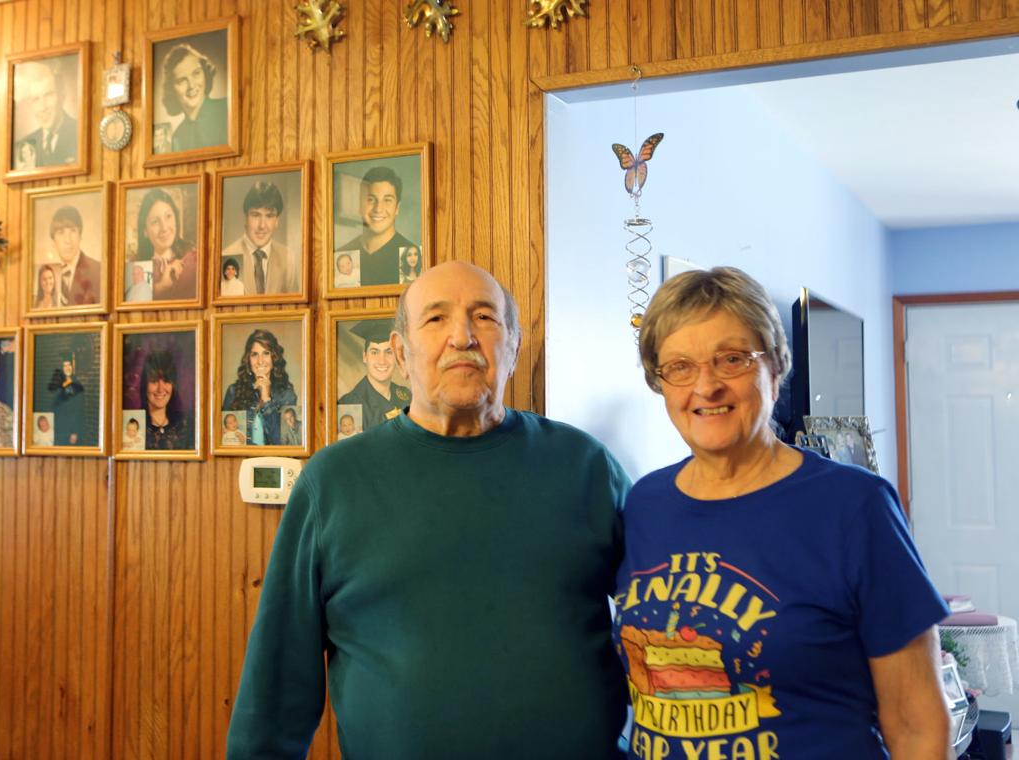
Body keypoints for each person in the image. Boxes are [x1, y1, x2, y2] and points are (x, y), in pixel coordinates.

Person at [228, 261, 631, 757]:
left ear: (514, 345)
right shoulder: (333, 483)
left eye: (484, 317)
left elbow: (666, 616)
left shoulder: (586, 467)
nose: (462, 336)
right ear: (400, 352)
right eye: (436, 319)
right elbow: (275, 689)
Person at [615, 266, 950, 758]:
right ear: (660, 383)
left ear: (774, 366)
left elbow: (916, 723)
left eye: (731, 359)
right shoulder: (645, 504)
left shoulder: (855, 507)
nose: (705, 387)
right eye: (680, 367)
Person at [336, 166, 415, 287]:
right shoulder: (340, 255)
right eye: (370, 199)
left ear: (397, 208)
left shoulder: (412, 255)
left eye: (387, 200)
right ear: (359, 205)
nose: (378, 209)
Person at [221, 329, 297, 446]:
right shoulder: (233, 391)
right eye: (254, 354)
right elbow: (225, 441)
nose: (260, 361)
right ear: (248, 359)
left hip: (274, 461)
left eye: (266, 353)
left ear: (274, 358)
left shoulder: (286, 393)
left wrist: (266, 398)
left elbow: (281, 443)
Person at [220, 181, 299, 295]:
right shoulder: (226, 256)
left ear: (277, 221)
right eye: (255, 215)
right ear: (245, 218)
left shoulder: (288, 258)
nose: (262, 225)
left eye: (269, 216)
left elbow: (295, 309)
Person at [336, 320, 410, 431]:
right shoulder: (350, 404)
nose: (382, 361)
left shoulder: (407, 396)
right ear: (365, 357)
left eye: (388, 352)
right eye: (374, 352)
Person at [160, 42, 227, 152]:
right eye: (182, 80)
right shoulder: (177, 138)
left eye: (196, 73)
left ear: (205, 73)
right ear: (171, 90)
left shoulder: (227, 110)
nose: (191, 85)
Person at [135, 188, 197, 301]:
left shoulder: (194, 259)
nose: (164, 228)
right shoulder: (138, 268)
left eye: (168, 216)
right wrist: (160, 287)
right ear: (145, 231)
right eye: (155, 222)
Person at [15, 60, 77, 167]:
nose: (42, 107)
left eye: (48, 95)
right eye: (36, 99)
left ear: (62, 96)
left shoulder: (78, 133)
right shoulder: (25, 144)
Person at [46, 205, 101, 306]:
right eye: (60, 232)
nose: (68, 240)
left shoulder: (98, 271)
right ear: (53, 242)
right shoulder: (47, 273)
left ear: (80, 236)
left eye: (73, 231)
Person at [140, 349, 193, 450]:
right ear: (144, 384)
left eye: (166, 380)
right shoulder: (135, 426)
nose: (161, 389)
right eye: (154, 381)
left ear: (173, 385)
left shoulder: (187, 425)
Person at [47, 355, 86, 446]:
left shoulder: (77, 385)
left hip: (70, 430)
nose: (67, 368)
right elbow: (53, 405)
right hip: (59, 428)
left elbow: (79, 410)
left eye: (69, 365)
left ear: (72, 367)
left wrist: (75, 432)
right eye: (65, 366)